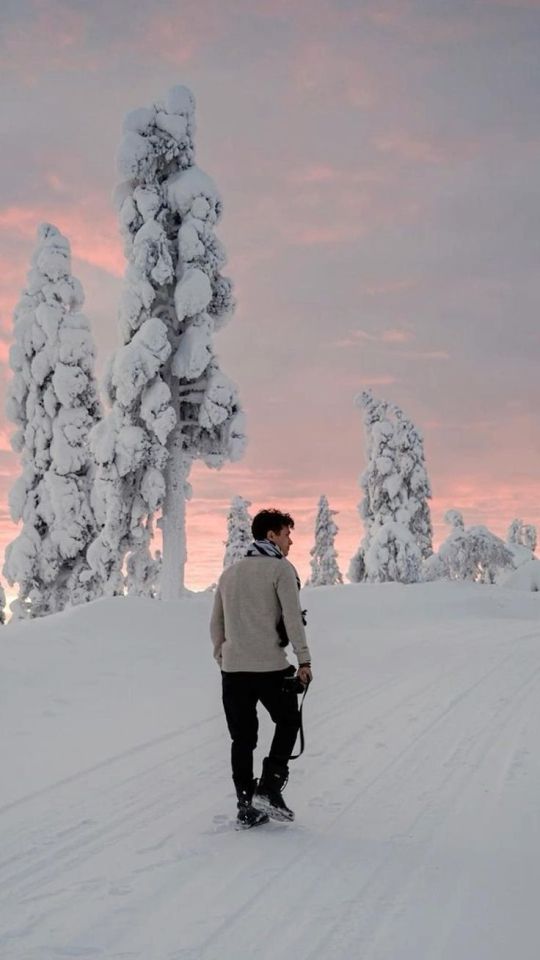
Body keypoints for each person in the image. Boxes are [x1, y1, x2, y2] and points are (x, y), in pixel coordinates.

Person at [210, 508, 313, 828]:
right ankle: (268, 788)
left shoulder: (229, 573)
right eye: (286, 534)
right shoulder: (281, 569)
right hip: (270, 668)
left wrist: (224, 658)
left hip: (233, 672)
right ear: (271, 535)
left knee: (242, 739)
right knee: (289, 721)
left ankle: (246, 805)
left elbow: (216, 624)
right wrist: (304, 660)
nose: (290, 541)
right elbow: (292, 618)